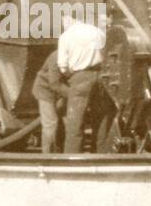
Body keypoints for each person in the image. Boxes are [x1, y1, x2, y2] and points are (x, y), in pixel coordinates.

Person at [55, 10, 105, 154]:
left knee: (74, 123)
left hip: (80, 79)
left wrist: (70, 76)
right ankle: (101, 155)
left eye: (63, 20)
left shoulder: (66, 36)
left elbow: (62, 65)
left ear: (68, 19)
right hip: (100, 77)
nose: (63, 23)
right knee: (99, 119)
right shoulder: (97, 32)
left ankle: (72, 159)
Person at [32, 49, 68, 153]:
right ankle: (47, 156)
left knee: (64, 122)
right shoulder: (57, 56)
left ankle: (60, 151)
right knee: (50, 124)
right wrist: (72, 94)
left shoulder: (76, 54)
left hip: (60, 92)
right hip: (45, 90)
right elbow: (54, 83)